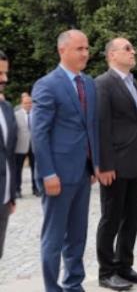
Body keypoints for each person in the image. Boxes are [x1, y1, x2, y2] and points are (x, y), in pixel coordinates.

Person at [31, 30, 100, 292]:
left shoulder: (89, 83)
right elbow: (39, 133)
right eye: (79, 48)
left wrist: (93, 164)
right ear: (62, 51)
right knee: (54, 237)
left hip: (82, 173)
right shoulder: (47, 84)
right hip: (57, 176)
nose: (85, 53)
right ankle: (52, 288)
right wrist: (48, 174)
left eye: (86, 48)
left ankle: (74, 284)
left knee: (78, 235)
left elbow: (90, 126)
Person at [95, 37, 137, 290]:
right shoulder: (103, 84)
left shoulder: (133, 84)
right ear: (112, 55)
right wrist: (104, 165)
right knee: (111, 218)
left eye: (132, 48)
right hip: (114, 165)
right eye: (127, 48)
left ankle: (124, 265)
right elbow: (101, 128)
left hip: (135, 163)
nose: (133, 51)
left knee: (133, 216)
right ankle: (106, 272)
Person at [0, 50, 17, 260]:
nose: (4, 79)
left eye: (5, 73)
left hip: (3, 199)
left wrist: (11, 194)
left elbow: (9, 153)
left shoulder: (6, 108)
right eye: (0, 74)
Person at [14, 93, 38, 198]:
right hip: (20, 146)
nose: (28, 104)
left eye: (30, 103)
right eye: (26, 103)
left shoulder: (37, 114)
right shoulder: (16, 114)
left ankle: (36, 189)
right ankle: (17, 190)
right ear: (21, 103)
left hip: (34, 146)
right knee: (18, 170)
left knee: (35, 169)